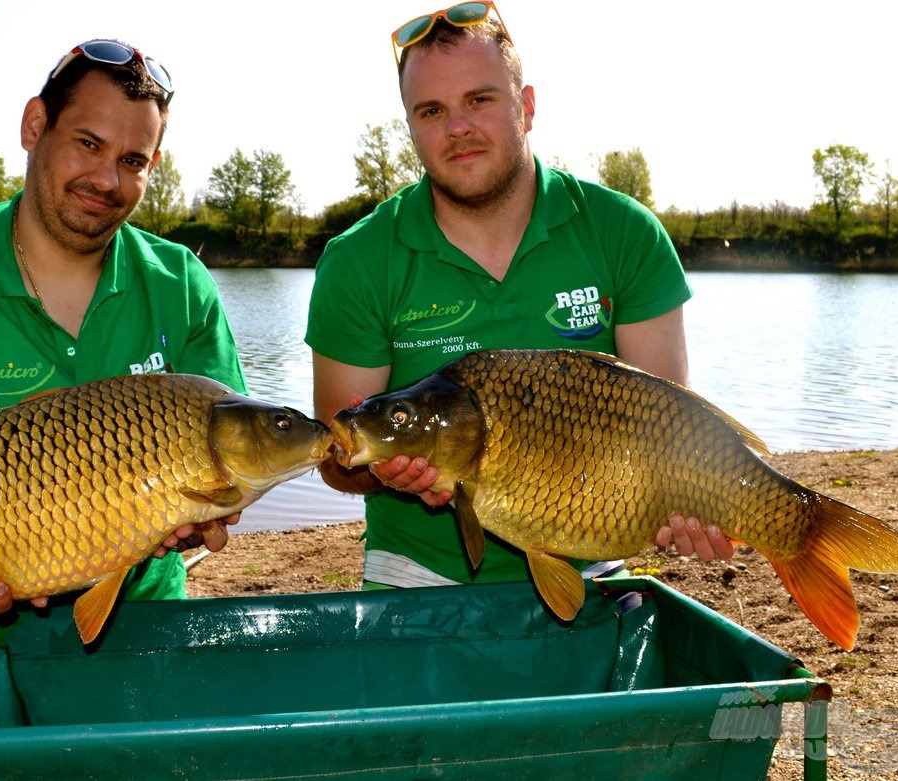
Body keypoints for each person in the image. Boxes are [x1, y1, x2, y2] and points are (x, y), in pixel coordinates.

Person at [0, 39, 243, 677]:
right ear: (35, 126)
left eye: (133, 160)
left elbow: (230, 450)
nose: (108, 180)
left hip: (137, 624)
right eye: (88, 143)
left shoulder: (182, 283)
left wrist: (208, 516)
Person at [306, 3, 733, 591]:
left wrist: (690, 502)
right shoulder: (357, 261)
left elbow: (669, 425)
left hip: (595, 558)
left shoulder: (623, 232)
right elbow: (338, 456)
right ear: (411, 127)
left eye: (480, 100)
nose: (457, 128)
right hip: (414, 571)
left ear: (526, 107)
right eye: (431, 111)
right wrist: (384, 471)